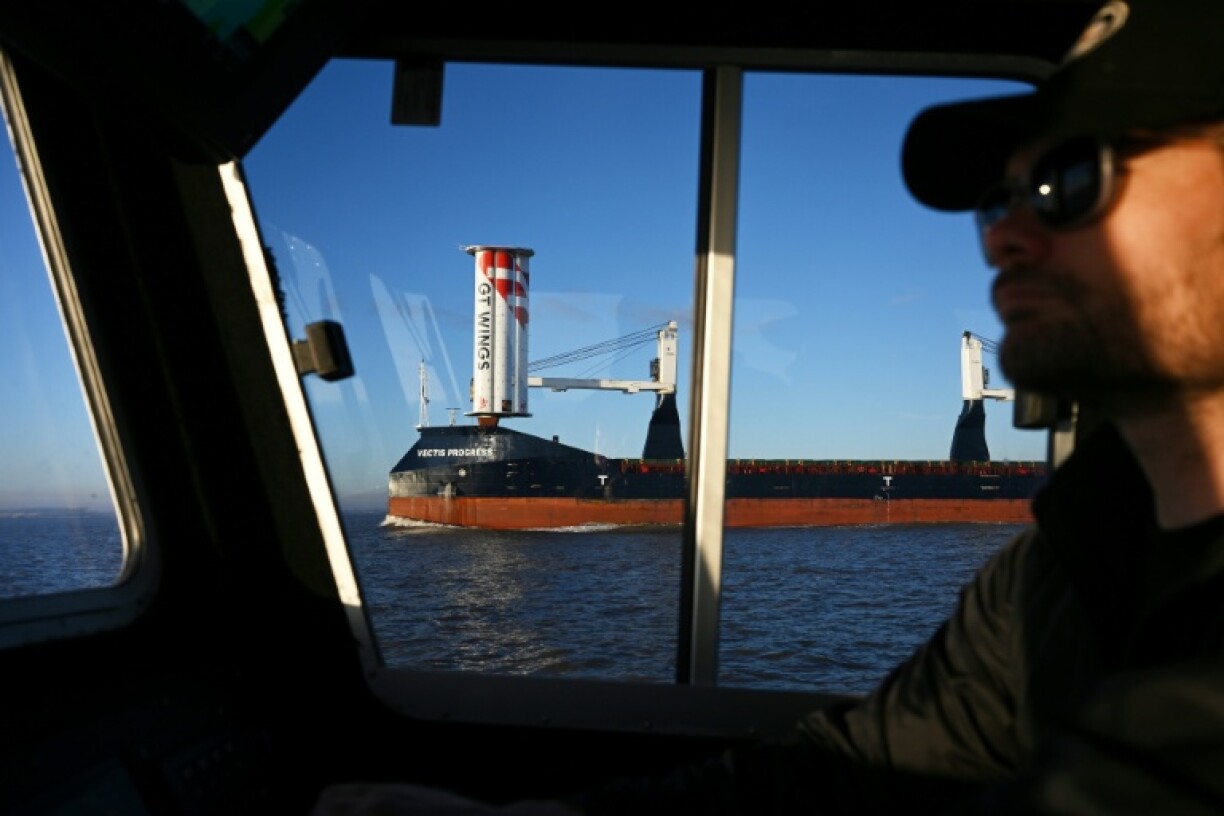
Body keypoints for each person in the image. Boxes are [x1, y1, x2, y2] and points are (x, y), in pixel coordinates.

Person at [314, 0, 1224, 812]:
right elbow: (848, 771)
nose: (1007, 239)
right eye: (998, 202)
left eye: (1071, 181)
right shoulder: (1058, 571)